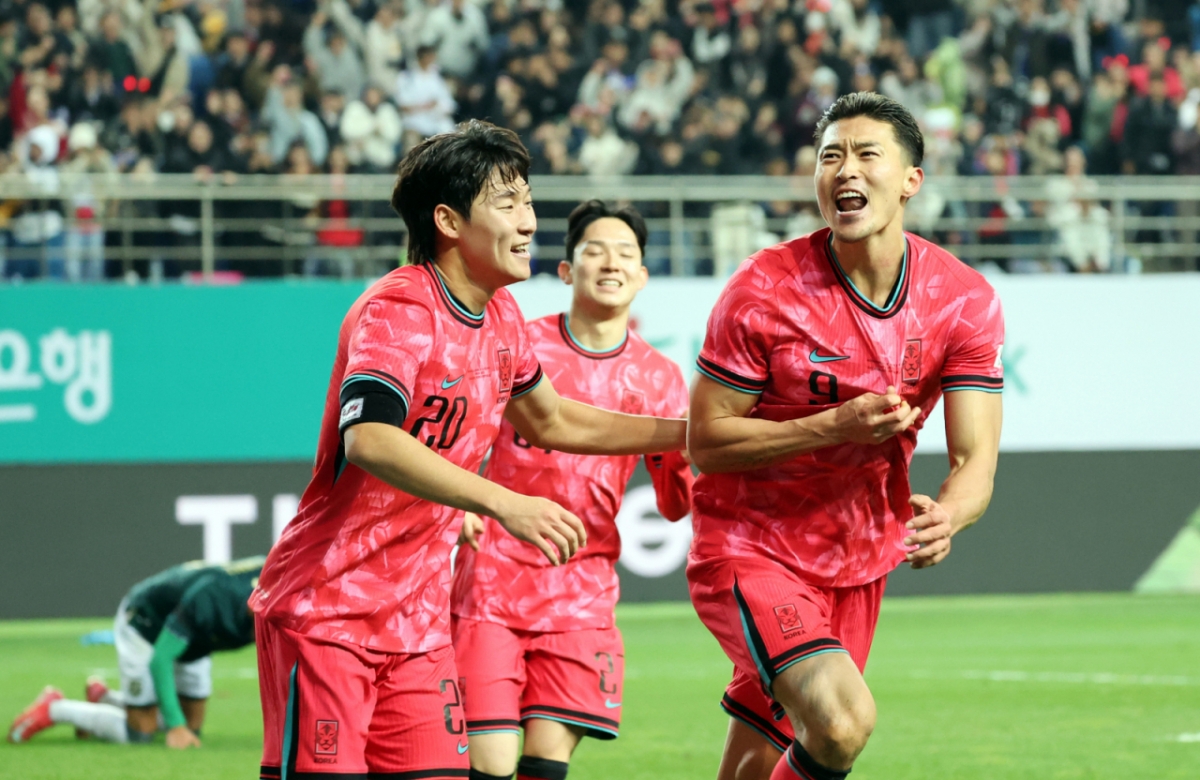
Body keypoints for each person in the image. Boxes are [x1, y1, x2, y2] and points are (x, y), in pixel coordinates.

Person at [249, 120, 687, 780]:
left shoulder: (506, 319)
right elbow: (368, 438)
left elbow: (555, 420)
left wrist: (691, 431)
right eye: (508, 202)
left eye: (528, 200)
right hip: (327, 611)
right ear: (450, 221)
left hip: (419, 627)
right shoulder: (399, 307)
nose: (529, 220)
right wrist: (503, 500)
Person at [686, 92, 1005, 780]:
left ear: (911, 179)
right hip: (753, 545)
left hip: (860, 560)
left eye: (866, 155)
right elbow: (705, 441)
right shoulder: (765, 290)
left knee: (759, 758)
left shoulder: (962, 299)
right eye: (830, 156)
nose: (844, 171)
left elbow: (976, 459)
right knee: (841, 721)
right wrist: (833, 424)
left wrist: (950, 513)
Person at [451, 200, 693, 780]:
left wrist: (687, 456)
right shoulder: (516, 345)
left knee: (545, 763)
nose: (610, 262)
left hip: (582, 588)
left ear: (641, 277)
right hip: (493, 575)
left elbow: (674, 503)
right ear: (565, 270)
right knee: (491, 760)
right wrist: (452, 501)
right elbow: (454, 429)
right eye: (594, 250)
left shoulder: (660, 379)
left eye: (625, 254)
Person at [8, 556, 264, 748]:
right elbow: (160, 659)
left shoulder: (285, 583)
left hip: (196, 641)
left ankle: (106, 700)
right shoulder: (211, 600)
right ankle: (56, 708)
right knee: (141, 734)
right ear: (254, 608)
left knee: (192, 730)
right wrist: (174, 726)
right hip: (146, 626)